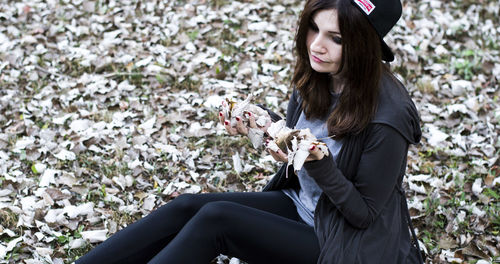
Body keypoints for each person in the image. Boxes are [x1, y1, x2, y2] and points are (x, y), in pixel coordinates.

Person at [76, 0, 423, 263]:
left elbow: (363, 214)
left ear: (363, 45)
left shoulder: (388, 117)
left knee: (218, 219)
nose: (317, 45)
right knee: (186, 207)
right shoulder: (319, 75)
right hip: (305, 208)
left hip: (350, 243)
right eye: (313, 28)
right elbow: (294, 137)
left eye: (335, 38)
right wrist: (257, 122)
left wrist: (318, 161)